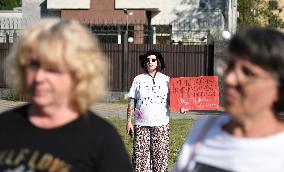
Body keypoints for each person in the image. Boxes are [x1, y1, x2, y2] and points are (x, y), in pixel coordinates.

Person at [0, 19, 132, 172]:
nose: (39, 78)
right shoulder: (4, 126)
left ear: (79, 74)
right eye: (34, 65)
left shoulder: (102, 140)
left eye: (52, 69)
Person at [175, 27, 284, 172]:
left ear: (279, 89)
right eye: (230, 67)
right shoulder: (205, 129)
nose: (230, 79)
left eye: (248, 72)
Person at [127, 50, 170, 171]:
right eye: (147, 60)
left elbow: (172, 101)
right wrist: (129, 121)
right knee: (141, 159)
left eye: (153, 60)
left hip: (161, 124)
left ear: (158, 62)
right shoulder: (138, 79)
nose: (150, 62)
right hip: (141, 124)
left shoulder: (166, 80)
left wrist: (182, 106)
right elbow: (131, 101)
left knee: (160, 158)